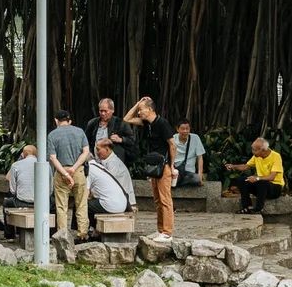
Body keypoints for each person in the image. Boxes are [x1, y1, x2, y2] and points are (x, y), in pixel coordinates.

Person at [124, 96, 177, 242]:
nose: (139, 113)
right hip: (153, 167)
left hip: (164, 165)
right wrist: (137, 103)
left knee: (165, 199)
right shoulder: (147, 124)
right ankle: (160, 230)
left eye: (141, 110)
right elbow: (127, 119)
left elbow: (172, 145)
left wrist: (172, 166)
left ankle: (167, 232)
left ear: (150, 109)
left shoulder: (162, 123)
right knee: (157, 200)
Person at [47, 109, 90, 242]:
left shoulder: (52, 135)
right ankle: (82, 234)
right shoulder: (80, 132)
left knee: (61, 206)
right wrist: (74, 169)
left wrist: (65, 173)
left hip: (61, 173)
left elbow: (53, 158)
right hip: (78, 171)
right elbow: (86, 152)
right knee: (82, 203)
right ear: (69, 120)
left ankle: (62, 235)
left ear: (56, 121)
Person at [225, 137, 285, 214]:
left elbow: (271, 177)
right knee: (242, 180)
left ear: (263, 150)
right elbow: (245, 166)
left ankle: (258, 209)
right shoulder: (257, 156)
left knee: (262, 182)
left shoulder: (276, 156)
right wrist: (233, 166)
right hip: (261, 187)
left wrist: (257, 178)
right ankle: (247, 207)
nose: (252, 152)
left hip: (275, 188)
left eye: (255, 150)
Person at [3, 143, 51, 238]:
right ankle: (50, 234)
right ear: (37, 154)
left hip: (21, 203)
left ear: (23, 154)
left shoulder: (16, 165)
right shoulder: (46, 165)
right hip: (41, 204)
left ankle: (9, 235)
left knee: (6, 202)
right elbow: (50, 189)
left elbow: (13, 190)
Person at [87, 138, 135, 229]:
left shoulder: (114, 164)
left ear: (107, 149)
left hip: (120, 201)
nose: (96, 152)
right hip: (117, 199)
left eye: (98, 149)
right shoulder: (107, 161)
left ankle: (87, 231)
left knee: (86, 205)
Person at [85, 98, 136, 165]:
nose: (103, 113)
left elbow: (132, 140)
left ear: (112, 110)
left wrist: (121, 139)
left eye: (105, 111)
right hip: (96, 161)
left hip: (114, 161)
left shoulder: (120, 123)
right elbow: (85, 140)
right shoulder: (92, 123)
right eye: (101, 111)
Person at [172, 120, 206, 189]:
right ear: (177, 129)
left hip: (189, 172)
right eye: (182, 129)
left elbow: (200, 158)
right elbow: (168, 156)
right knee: (174, 177)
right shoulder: (173, 139)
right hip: (176, 171)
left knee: (196, 179)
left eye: (187, 128)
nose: (185, 131)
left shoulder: (195, 138)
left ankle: (177, 183)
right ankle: (177, 181)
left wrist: (200, 176)